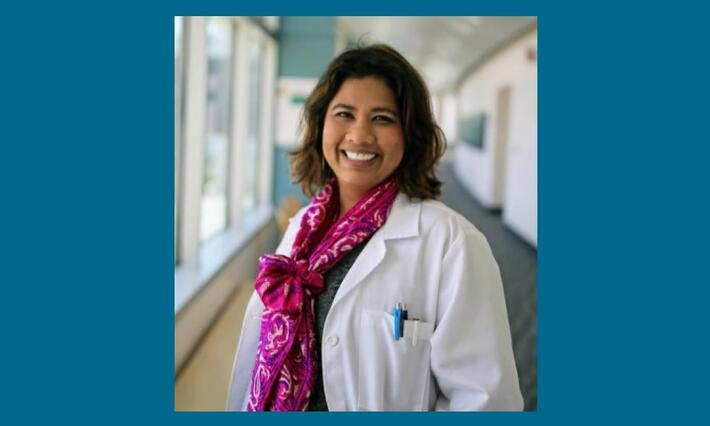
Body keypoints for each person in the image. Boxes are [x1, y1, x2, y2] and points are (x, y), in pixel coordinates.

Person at [227, 44, 523, 411]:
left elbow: (485, 399)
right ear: (321, 124)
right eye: (344, 114)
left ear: (409, 133)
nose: (360, 135)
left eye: (382, 118)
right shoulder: (302, 229)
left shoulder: (451, 243)